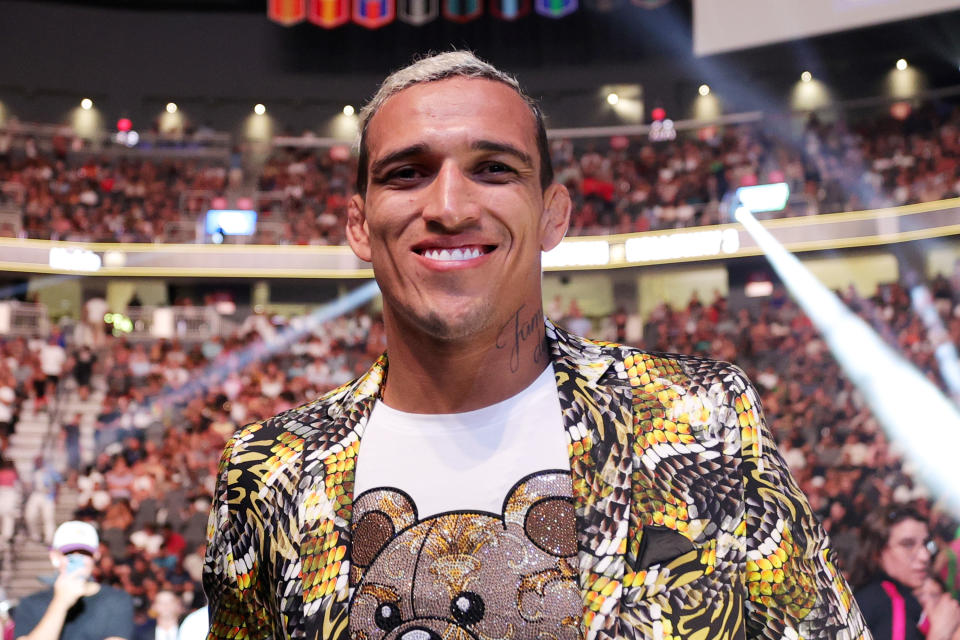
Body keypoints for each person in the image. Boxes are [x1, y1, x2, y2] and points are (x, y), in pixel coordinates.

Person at [204, 51, 868, 640]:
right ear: (357, 223)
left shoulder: (701, 417)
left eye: (493, 168)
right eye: (407, 173)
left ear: (554, 214)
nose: (451, 206)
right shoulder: (268, 472)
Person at [853, 504, 960, 640]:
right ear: (877, 552)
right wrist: (941, 633)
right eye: (907, 544)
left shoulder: (865, 595)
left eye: (926, 544)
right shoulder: (889, 603)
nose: (925, 556)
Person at [13, 520, 134, 640]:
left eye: (84, 553)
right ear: (55, 557)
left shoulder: (116, 600)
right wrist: (60, 603)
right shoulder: (30, 604)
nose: (77, 560)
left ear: (96, 556)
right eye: (69, 553)